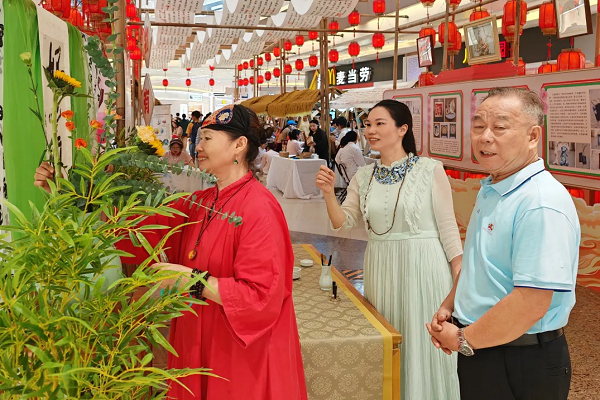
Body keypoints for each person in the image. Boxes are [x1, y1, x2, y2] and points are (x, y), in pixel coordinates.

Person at [34, 105, 309, 400]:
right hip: (199, 337)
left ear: (239, 145)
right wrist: (72, 197)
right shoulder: (202, 201)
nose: (198, 146)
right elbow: (139, 225)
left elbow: (262, 296)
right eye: (200, 138)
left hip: (239, 353)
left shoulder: (259, 208)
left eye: (207, 138)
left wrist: (194, 282)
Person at [427, 88, 579, 400]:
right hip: (485, 346)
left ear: (533, 136)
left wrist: (464, 339)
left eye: (500, 127)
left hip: (522, 359)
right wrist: (451, 305)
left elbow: (530, 301)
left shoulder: (539, 202)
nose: (485, 137)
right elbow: (479, 262)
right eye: (479, 125)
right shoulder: (494, 185)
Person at [316, 99, 462, 400]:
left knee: (423, 348)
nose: (370, 130)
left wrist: (458, 279)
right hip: (382, 268)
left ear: (402, 129)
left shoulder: (430, 169)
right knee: (390, 344)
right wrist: (329, 194)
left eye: (380, 123)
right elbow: (343, 222)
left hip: (424, 269)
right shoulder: (364, 176)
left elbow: (448, 228)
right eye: (368, 124)